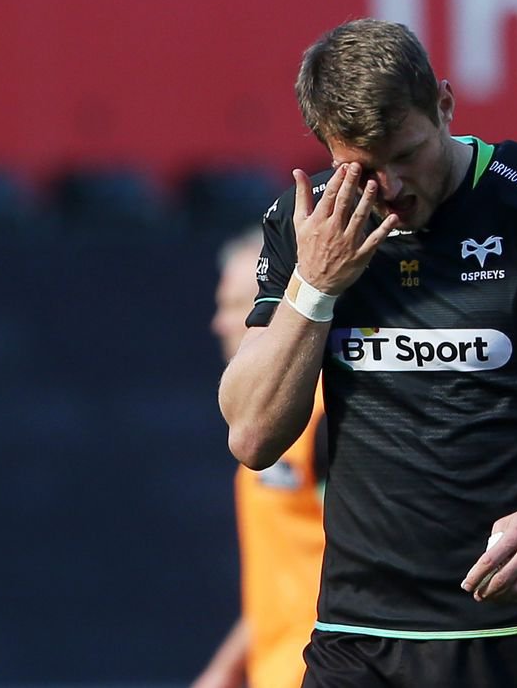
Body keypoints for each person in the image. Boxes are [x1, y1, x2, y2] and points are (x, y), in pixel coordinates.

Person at [218, 18, 517, 688]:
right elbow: (252, 436)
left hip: (516, 633)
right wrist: (316, 287)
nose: (389, 186)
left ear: (444, 104)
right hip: (356, 641)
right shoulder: (310, 226)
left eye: (406, 154)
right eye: (362, 168)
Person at [195, 228, 327, 688]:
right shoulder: (275, 417)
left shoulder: (331, 412)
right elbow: (286, 574)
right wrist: (228, 667)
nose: (219, 323)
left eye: (237, 305)